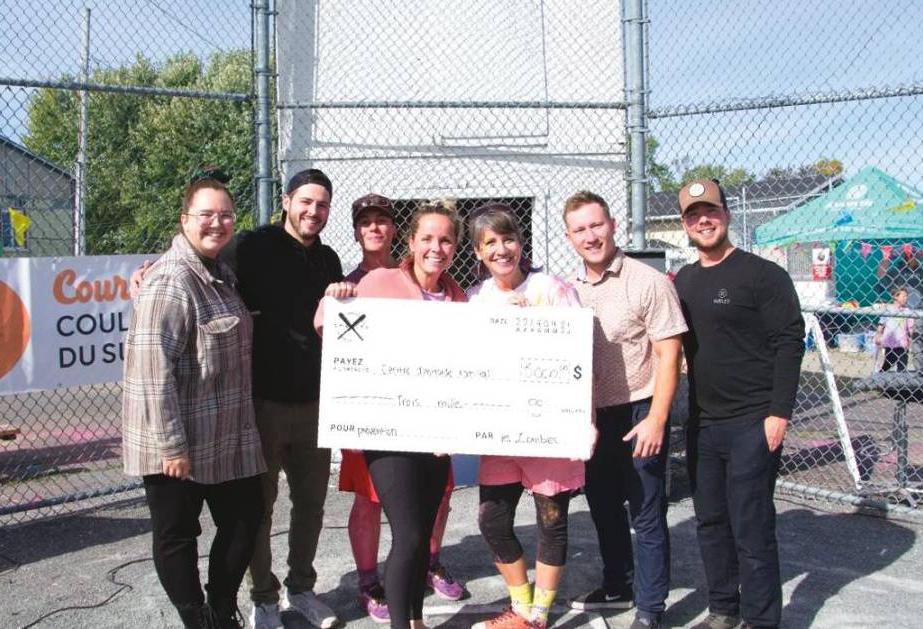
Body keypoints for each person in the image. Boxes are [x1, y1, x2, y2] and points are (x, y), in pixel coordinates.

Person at [131, 168, 343, 629]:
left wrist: (346, 290)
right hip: (259, 408)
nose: (313, 211)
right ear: (285, 202)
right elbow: (187, 262)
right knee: (254, 513)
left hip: (308, 407)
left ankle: (299, 590)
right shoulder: (247, 246)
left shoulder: (329, 260)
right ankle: (262, 598)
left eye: (322, 204)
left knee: (303, 507)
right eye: (305, 201)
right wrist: (149, 272)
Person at [122, 175, 266, 629]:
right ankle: (197, 619)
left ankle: (221, 609)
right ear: (185, 219)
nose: (216, 223)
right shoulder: (170, 281)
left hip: (223, 435)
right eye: (206, 215)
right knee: (177, 536)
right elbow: (150, 372)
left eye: (225, 215)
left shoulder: (221, 273)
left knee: (245, 520)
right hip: (177, 442)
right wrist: (171, 446)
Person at [316, 200, 467, 629]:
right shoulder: (381, 280)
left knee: (421, 533)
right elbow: (327, 322)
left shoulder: (458, 296)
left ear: (455, 246)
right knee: (411, 534)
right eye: (427, 239)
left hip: (437, 432)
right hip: (390, 433)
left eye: (445, 240)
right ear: (411, 242)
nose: (435, 248)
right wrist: (337, 298)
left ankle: (416, 618)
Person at [672, 179, 804, 629]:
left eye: (710, 211)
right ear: (684, 225)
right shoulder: (684, 281)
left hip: (753, 420)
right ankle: (724, 609)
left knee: (751, 526)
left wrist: (779, 413)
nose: (702, 220)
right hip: (703, 424)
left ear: (727, 215)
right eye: (693, 215)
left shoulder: (763, 275)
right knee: (710, 521)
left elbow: (790, 341)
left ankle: (762, 619)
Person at [560, 192, 686, 629]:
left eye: (596, 225)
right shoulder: (567, 290)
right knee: (603, 505)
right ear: (569, 236)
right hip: (593, 416)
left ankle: (651, 609)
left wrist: (657, 417)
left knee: (646, 512)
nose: (590, 236)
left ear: (612, 224)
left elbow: (669, 357)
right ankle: (619, 582)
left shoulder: (648, 282)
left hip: (639, 410)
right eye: (580, 229)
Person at [462, 204, 586, 629]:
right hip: (500, 430)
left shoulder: (552, 289)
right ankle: (521, 603)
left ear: (521, 242)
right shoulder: (476, 299)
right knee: (492, 520)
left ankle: (537, 616)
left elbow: (579, 355)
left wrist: (533, 323)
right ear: (478, 252)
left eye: (508, 239)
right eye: (490, 243)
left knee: (551, 520)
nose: (501, 249)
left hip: (549, 424)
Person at [875, 287, 913, 372]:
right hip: (890, 343)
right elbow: (881, 324)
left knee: (902, 367)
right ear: (896, 297)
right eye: (903, 296)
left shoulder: (907, 311)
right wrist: (878, 335)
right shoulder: (888, 309)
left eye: (906, 296)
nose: (905, 298)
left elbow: (910, 327)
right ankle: (880, 377)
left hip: (902, 344)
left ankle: (901, 382)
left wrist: (912, 336)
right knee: (887, 364)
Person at [876, 244, 923, 309]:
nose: (915, 258)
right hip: (902, 308)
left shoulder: (922, 271)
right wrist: (885, 259)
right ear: (906, 257)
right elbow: (881, 275)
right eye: (912, 255)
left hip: (919, 307)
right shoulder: (897, 270)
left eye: (916, 256)